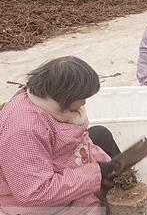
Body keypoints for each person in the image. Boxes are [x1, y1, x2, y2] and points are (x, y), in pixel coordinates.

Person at [0, 56, 121, 214]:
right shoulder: (25, 129)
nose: (84, 103)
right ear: (66, 95)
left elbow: (79, 141)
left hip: (61, 168)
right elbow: (34, 192)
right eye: (82, 97)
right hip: (35, 205)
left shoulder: (52, 104)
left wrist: (106, 165)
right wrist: (96, 174)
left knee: (101, 134)